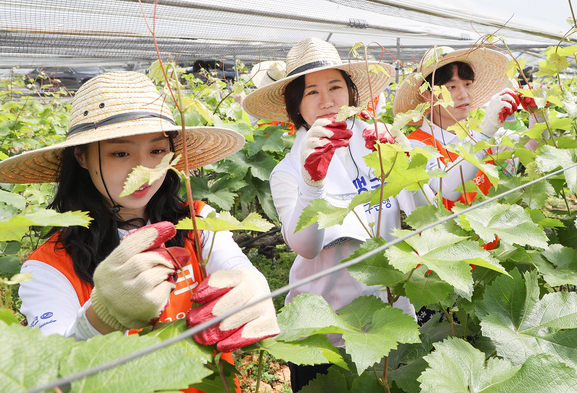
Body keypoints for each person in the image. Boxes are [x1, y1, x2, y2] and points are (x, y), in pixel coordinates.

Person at [0, 72, 280, 391]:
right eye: (120, 153)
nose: (143, 170)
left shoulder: (199, 222)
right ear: (81, 156)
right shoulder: (48, 267)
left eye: (157, 151)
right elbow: (52, 380)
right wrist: (100, 319)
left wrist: (251, 284)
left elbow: (234, 268)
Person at [243, 37, 433, 391]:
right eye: (311, 92)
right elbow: (306, 247)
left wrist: (402, 157)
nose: (327, 100)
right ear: (296, 105)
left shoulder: (381, 141)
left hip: (388, 309)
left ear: (351, 93)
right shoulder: (288, 170)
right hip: (326, 320)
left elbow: (424, 213)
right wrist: (311, 182)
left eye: (335, 86)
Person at [393, 46, 545, 210]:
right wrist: (485, 133)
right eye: (451, 87)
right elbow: (448, 191)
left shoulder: (480, 132)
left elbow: (531, 149)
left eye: (467, 84)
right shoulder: (415, 146)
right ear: (428, 95)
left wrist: (538, 114)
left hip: (489, 233)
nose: (463, 94)